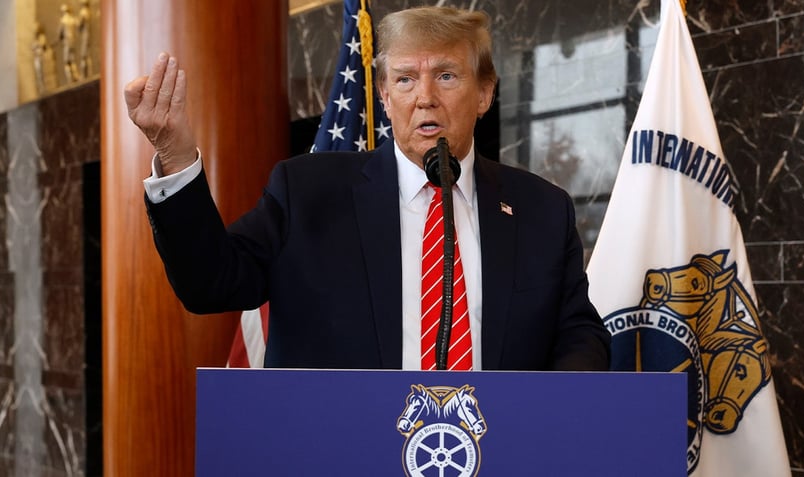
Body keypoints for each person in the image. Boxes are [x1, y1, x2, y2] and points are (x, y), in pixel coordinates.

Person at [124, 6, 610, 371]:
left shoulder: (542, 209)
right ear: (382, 92)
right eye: (404, 79)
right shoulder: (308, 192)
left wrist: (551, 410)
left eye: (446, 75)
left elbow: (578, 332)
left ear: (484, 92)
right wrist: (176, 156)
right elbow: (210, 283)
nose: (425, 98)